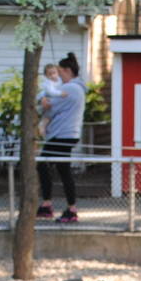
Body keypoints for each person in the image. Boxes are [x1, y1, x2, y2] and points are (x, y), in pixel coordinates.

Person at [37, 53, 85, 222]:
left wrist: (42, 103)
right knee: (63, 170)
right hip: (68, 134)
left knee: (43, 165)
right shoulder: (78, 88)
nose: (57, 76)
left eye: (59, 72)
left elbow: (50, 107)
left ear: (67, 71)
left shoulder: (70, 89)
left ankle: (49, 205)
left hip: (61, 135)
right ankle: (68, 207)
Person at [35, 62, 61, 140]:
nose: (52, 76)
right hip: (48, 101)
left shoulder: (61, 81)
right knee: (47, 117)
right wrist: (43, 98)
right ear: (46, 76)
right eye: (50, 74)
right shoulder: (47, 83)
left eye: (54, 73)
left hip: (56, 104)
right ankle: (42, 127)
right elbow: (44, 93)